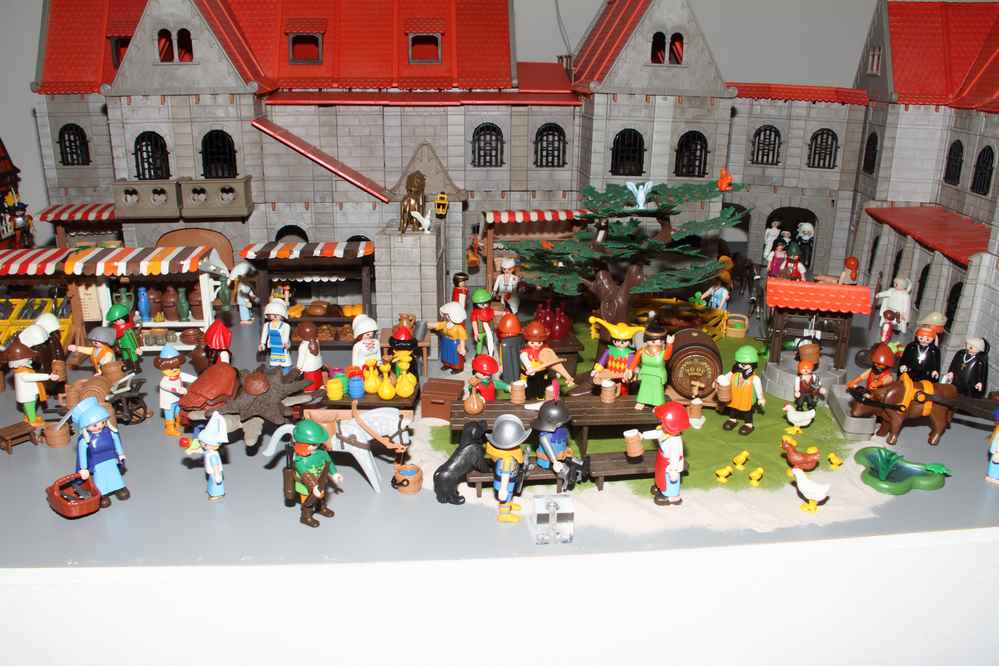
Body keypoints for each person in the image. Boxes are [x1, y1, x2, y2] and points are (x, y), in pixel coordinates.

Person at [72, 397, 129, 509]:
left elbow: (116, 442)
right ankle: (103, 494)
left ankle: (119, 488)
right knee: (100, 478)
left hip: (111, 458)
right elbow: (82, 455)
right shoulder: (85, 441)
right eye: (94, 425)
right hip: (97, 462)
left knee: (114, 474)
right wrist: (83, 468)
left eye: (102, 422)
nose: (99, 426)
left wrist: (120, 453)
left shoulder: (110, 432)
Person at [291, 419, 344, 528]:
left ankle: (321, 508)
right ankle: (306, 516)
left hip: (321, 480)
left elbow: (328, 462)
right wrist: (313, 485)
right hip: (305, 485)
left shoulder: (321, 452)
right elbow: (304, 473)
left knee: (321, 496)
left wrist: (334, 473)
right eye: (314, 444)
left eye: (318, 443)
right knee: (308, 501)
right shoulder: (300, 459)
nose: (318, 445)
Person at [485, 414, 532, 523]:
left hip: (510, 479)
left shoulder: (508, 454)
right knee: (506, 496)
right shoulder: (507, 460)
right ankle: (504, 514)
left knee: (509, 495)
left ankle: (509, 503)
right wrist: (503, 489)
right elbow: (505, 475)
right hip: (505, 483)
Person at [643, 402, 689, 506]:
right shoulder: (665, 432)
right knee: (661, 476)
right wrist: (643, 435)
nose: (661, 423)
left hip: (671, 464)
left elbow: (675, 457)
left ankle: (672, 496)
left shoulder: (675, 441)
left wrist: (674, 470)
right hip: (663, 459)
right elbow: (657, 433)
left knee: (670, 480)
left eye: (663, 421)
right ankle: (661, 487)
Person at [520, 320, 575, 400]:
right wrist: (529, 367)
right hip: (529, 376)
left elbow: (550, 360)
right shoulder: (525, 353)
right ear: (527, 341)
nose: (536, 344)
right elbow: (525, 360)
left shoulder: (545, 351)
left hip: (541, 373)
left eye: (539, 342)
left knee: (541, 389)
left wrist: (557, 371)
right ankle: (529, 399)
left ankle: (540, 398)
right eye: (532, 342)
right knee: (529, 390)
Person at [6, 340, 57, 426]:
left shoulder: (21, 370)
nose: (30, 359)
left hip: (28, 394)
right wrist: (48, 376)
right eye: (28, 358)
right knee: (30, 407)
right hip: (28, 395)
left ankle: (29, 417)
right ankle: (32, 421)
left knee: (28, 407)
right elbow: (33, 377)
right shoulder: (23, 372)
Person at [589, 317, 643, 396]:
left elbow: (630, 366)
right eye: (617, 341)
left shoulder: (630, 354)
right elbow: (602, 362)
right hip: (610, 375)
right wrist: (597, 370)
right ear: (613, 340)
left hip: (623, 376)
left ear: (629, 341)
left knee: (623, 391)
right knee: (608, 390)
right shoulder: (609, 351)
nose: (620, 343)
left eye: (624, 341)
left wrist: (629, 373)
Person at [720, 345, 766, 435]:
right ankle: (732, 419)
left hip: (747, 399)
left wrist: (761, 398)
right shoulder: (734, 373)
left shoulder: (754, 378)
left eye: (744, 364)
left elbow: (758, 388)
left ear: (752, 364)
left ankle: (748, 424)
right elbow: (725, 378)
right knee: (733, 409)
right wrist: (719, 382)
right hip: (735, 397)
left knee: (747, 412)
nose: (741, 366)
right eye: (740, 363)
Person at [183, 411, 228, 501]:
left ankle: (218, 494)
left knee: (216, 484)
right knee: (211, 483)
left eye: (205, 444)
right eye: (201, 442)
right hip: (210, 472)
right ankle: (211, 491)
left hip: (214, 473)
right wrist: (192, 451)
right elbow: (202, 451)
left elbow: (216, 466)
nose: (202, 445)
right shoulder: (208, 451)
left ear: (214, 445)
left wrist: (218, 476)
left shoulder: (213, 456)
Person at [629, 323, 675, 411]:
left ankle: (658, 404)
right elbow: (635, 361)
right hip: (646, 373)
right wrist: (630, 369)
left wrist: (669, 344)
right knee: (644, 388)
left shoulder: (662, 353)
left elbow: (667, 357)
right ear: (646, 340)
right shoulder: (642, 351)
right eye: (653, 341)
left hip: (657, 375)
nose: (657, 343)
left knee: (657, 390)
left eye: (660, 341)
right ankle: (641, 401)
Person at [155, 344, 196, 437]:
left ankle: (179, 424)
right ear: (162, 368)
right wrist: (178, 389)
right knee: (169, 415)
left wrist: (198, 379)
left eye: (177, 367)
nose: (175, 370)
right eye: (171, 368)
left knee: (178, 412)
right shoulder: (164, 381)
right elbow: (168, 387)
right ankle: (170, 429)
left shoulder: (179, 375)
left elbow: (189, 377)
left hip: (178, 400)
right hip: (169, 402)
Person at [531, 399, 572, 472]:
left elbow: (564, 442)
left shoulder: (563, 430)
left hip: (561, 458)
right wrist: (555, 461)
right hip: (548, 461)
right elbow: (548, 448)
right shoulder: (544, 436)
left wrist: (565, 451)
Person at [105, 302, 142, 373]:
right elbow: (117, 338)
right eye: (114, 321)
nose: (115, 322)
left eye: (117, 320)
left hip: (130, 346)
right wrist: (117, 346)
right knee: (125, 356)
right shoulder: (116, 329)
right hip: (123, 346)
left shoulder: (128, 329)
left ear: (124, 318)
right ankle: (128, 366)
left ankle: (136, 368)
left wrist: (137, 347)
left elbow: (133, 338)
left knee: (133, 356)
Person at [433, 302, 468, 373]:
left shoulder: (459, 328)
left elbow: (462, 338)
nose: (446, 316)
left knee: (455, 356)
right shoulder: (445, 323)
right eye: (445, 314)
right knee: (445, 354)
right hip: (445, 341)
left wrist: (462, 347)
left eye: (448, 315)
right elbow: (438, 325)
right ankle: (447, 364)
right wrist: (427, 324)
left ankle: (457, 367)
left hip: (455, 343)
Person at [258, 300, 292, 373]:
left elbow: (286, 336)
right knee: (274, 361)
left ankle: (286, 372)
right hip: (273, 346)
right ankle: (275, 372)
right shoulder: (267, 325)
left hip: (282, 346)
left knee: (285, 361)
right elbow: (264, 335)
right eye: (272, 314)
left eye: (277, 315)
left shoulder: (286, 326)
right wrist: (262, 344)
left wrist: (286, 343)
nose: (275, 316)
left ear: (282, 315)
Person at [295, 321, 326, 392]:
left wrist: (299, 368)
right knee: (318, 377)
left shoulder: (303, 345)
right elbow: (318, 353)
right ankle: (320, 387)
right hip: (318, 365)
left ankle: (310, 391)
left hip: (309, 367)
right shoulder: (316, 341)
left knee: (309, 381)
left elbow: (301, 359)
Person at [496, 313, 524, 386]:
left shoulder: (506, 342)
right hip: (514, 367)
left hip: (513, 366)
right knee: (513, 366)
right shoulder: (518, 339)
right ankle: (512, 381)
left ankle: (510, 381)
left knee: (511, 366)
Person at [469, 288, 495, 356]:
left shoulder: (489, 310)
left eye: (485, 303)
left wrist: (503, 313)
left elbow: (494, 312)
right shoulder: (475, 313)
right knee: (479, 343)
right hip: (480, 332)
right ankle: (478, 354)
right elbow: (474, 323)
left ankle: (491, 351)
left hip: (489, 330)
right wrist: (476, 333)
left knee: (490, 341)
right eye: (481, 304)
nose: (484, 305)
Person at [987, 408, 999, 485]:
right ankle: (993, 476)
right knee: (994, 464)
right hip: (996, 451)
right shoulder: (997, 430)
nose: (995, 422)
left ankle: (994, 477)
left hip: (996, 451)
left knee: (995, 464)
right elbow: (995, 441)